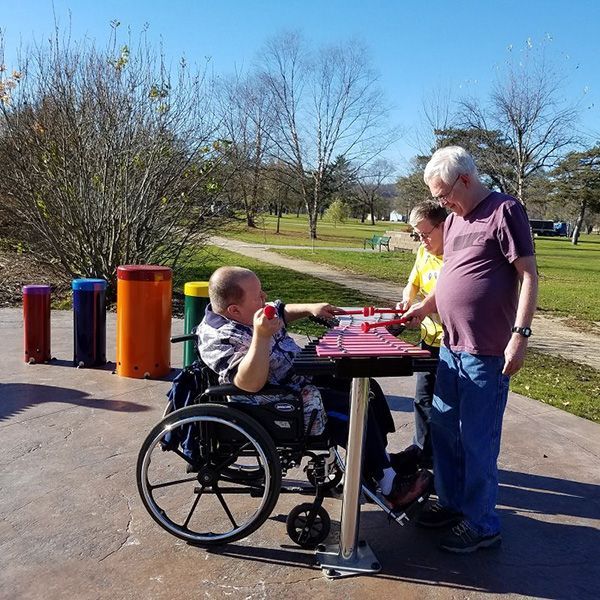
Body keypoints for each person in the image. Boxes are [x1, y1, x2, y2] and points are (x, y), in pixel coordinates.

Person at [198, 266, 432, 510]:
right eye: (258, 296)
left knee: (366, 388)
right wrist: (261, 336)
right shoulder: (220, 337)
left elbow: (281, 310)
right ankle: (390, 487)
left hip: (299, 381)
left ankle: (381, 464)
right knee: (353, 408)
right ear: (234, 310)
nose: (264, 297)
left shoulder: (246, 314)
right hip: (278, 401)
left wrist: (310, 308)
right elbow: (249, 383)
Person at [402, 146, 538, 553]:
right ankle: (453, 504)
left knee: (478, 440)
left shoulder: (505, 210)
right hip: (450, 346)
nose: (441, 202)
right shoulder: (456, 220)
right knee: (443, 431)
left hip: (487, 351)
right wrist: (423, 307)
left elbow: (528, 275)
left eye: (444, 193)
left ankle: (483, 525)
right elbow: (451, 280)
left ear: (465, 179)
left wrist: (520, 334)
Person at [393, 201, 447, 471]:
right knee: (423, 398)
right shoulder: (423, 253)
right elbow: (412, 283)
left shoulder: (456, 258)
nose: (422, 240)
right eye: (417, 235)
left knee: (446, 406)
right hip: (428, 339)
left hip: (453, 344)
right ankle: (421, 451)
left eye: (425, 234)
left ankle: (444, 461)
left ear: (444, 226)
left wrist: (424, 309)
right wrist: (407, 301)